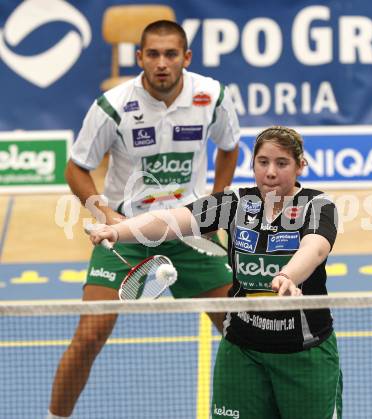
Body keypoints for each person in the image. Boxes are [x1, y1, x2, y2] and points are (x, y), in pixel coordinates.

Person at [47, 20, 240, 418]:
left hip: (188, 230)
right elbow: (76, 168)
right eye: (153, 54)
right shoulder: (113, 106)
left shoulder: (212, 96)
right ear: (140, 58)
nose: (162, 63)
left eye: (171, 54)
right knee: (89, 336)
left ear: (186, 57)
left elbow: (229, 147)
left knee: (241, 331)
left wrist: (216, 204)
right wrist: (103, 211)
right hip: (127, 233)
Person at [88, 126, 343, 419]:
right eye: (263, 162)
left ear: (300, 166)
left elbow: (316, 247)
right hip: (242, 349)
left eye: (282, 163)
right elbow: (171, 221)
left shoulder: (318, 204)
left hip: (304, 351)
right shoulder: (234, 202)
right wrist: (117, 231)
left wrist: (289, 275)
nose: (270, 172)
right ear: (253, 165)